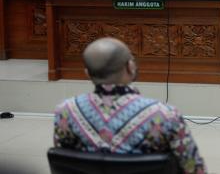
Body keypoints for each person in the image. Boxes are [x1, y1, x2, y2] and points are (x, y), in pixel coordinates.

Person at [53, 38, 206, 173]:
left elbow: (66, 164)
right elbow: (193, 168)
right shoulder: (164, 114)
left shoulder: (65, 112)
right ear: (130, 67)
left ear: (87, 73)